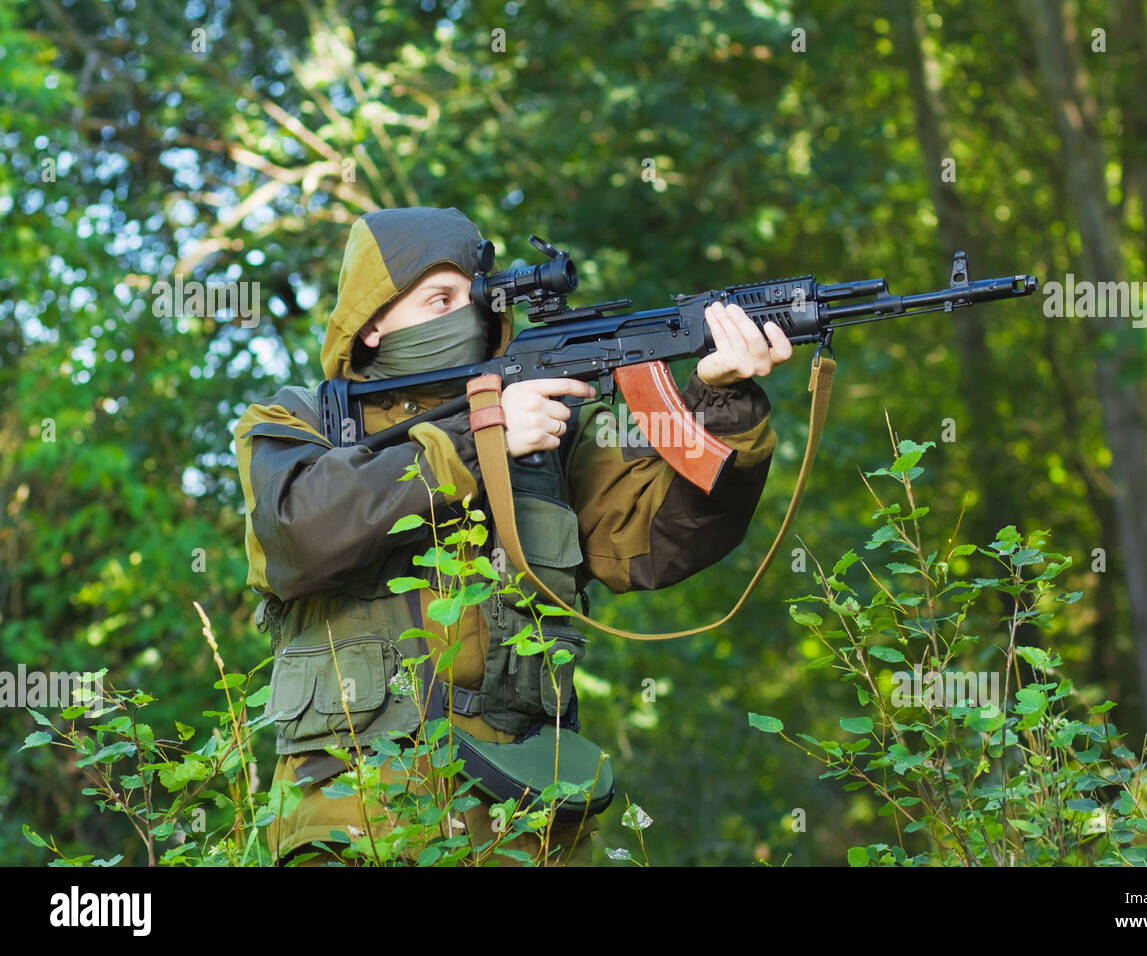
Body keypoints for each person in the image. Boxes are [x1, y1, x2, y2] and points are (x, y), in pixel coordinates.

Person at [234, 206, 792, 865]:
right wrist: (482, 437)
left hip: (523, 809)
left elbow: (653, 544)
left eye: (473, 300)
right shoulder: (297, 419)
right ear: (374, 321)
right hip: (358, 808)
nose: (461, 317)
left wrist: (718, 404)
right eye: (438, 298)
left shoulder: (554, 424)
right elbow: (298, 535)